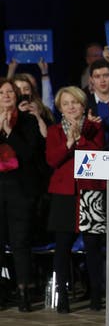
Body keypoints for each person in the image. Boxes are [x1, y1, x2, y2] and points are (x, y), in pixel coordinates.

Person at [46, 86, 106, 313]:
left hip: (90, 192)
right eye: (66, 103)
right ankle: (62, 297)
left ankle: (95, 296)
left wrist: (80, 138)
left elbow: (97, 154)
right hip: (64, 195)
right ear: (60, 109)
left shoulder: (95, 127)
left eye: (75, 102)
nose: (71, 107)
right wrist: (68, 142)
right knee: (62, 247)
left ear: (83, 106)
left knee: (93, 245)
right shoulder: (54, 132)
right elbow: (52, 160)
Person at [0, 78, 46, 311]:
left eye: (11, 91)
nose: (6, 95)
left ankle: (24, 292)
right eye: (2, 92)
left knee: (20, 243)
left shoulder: (27, 121)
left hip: (21, 190)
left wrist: (9, 132)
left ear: (17, 96)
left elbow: (28, 154)